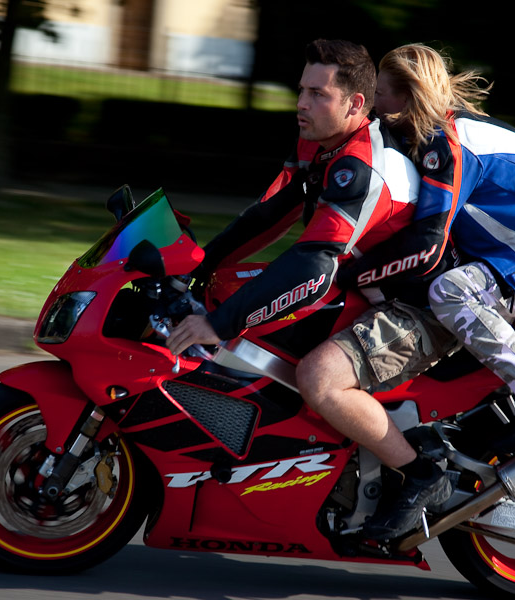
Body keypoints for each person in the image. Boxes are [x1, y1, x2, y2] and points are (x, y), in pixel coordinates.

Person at [302, 43, 515, 540]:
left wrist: (345, 276)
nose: (373, 104)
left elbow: (427, 243)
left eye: (380, 94)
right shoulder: (442, 131)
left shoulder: (444, 143)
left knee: (450, 291)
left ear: (407, 97)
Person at [166, 40, 452, 512]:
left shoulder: (361, 165)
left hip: (419, 307)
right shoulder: (318, 140)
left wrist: (217, 325)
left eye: (318, 94)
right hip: (365, 287)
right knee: (231, 292)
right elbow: (268, 215)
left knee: (318, 378)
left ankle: (422, 476)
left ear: (355, 104)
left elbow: (314, 266)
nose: (301, 103)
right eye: (302, 90)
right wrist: (196, 270)